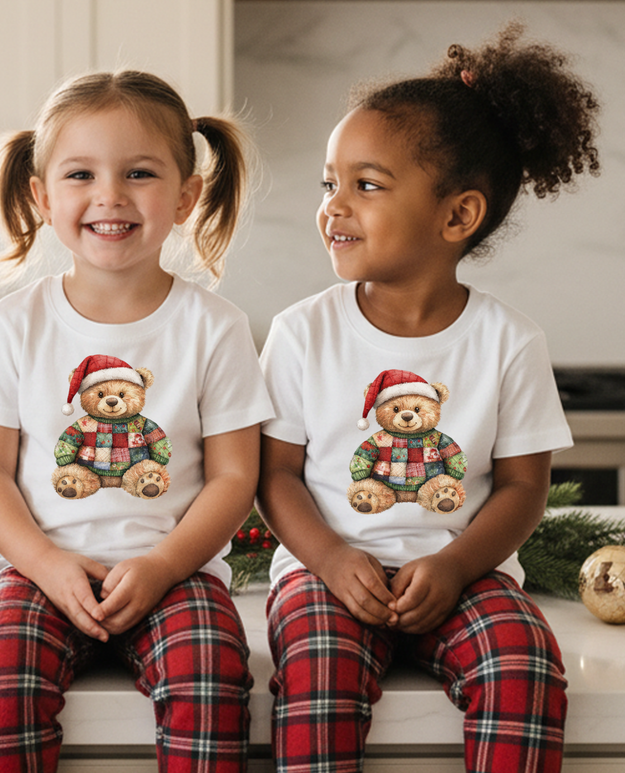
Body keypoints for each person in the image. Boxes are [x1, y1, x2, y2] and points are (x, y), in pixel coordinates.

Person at [257, 23, 600, 773]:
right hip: (325, 573)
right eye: (329, 182)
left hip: (466, 574)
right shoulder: (301, 331)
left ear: (457, 216)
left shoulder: (508, 340)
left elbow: (522, 485)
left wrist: (455, 567)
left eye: (366, 185)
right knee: (320, 675)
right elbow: (275, 474)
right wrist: (330, 555)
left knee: (526, 668)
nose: (334, 206)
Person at [0, 70, 274, 772]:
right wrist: (44, 562)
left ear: (187, 196)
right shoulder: (14, 323)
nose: (110, 195)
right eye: (80, 174)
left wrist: (162, 564)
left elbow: (233, 475)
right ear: (42, 195)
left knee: (213, 671)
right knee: (1, 671)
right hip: (36, 569)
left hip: (177, 571)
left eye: (139, 172)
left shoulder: (214, 328)